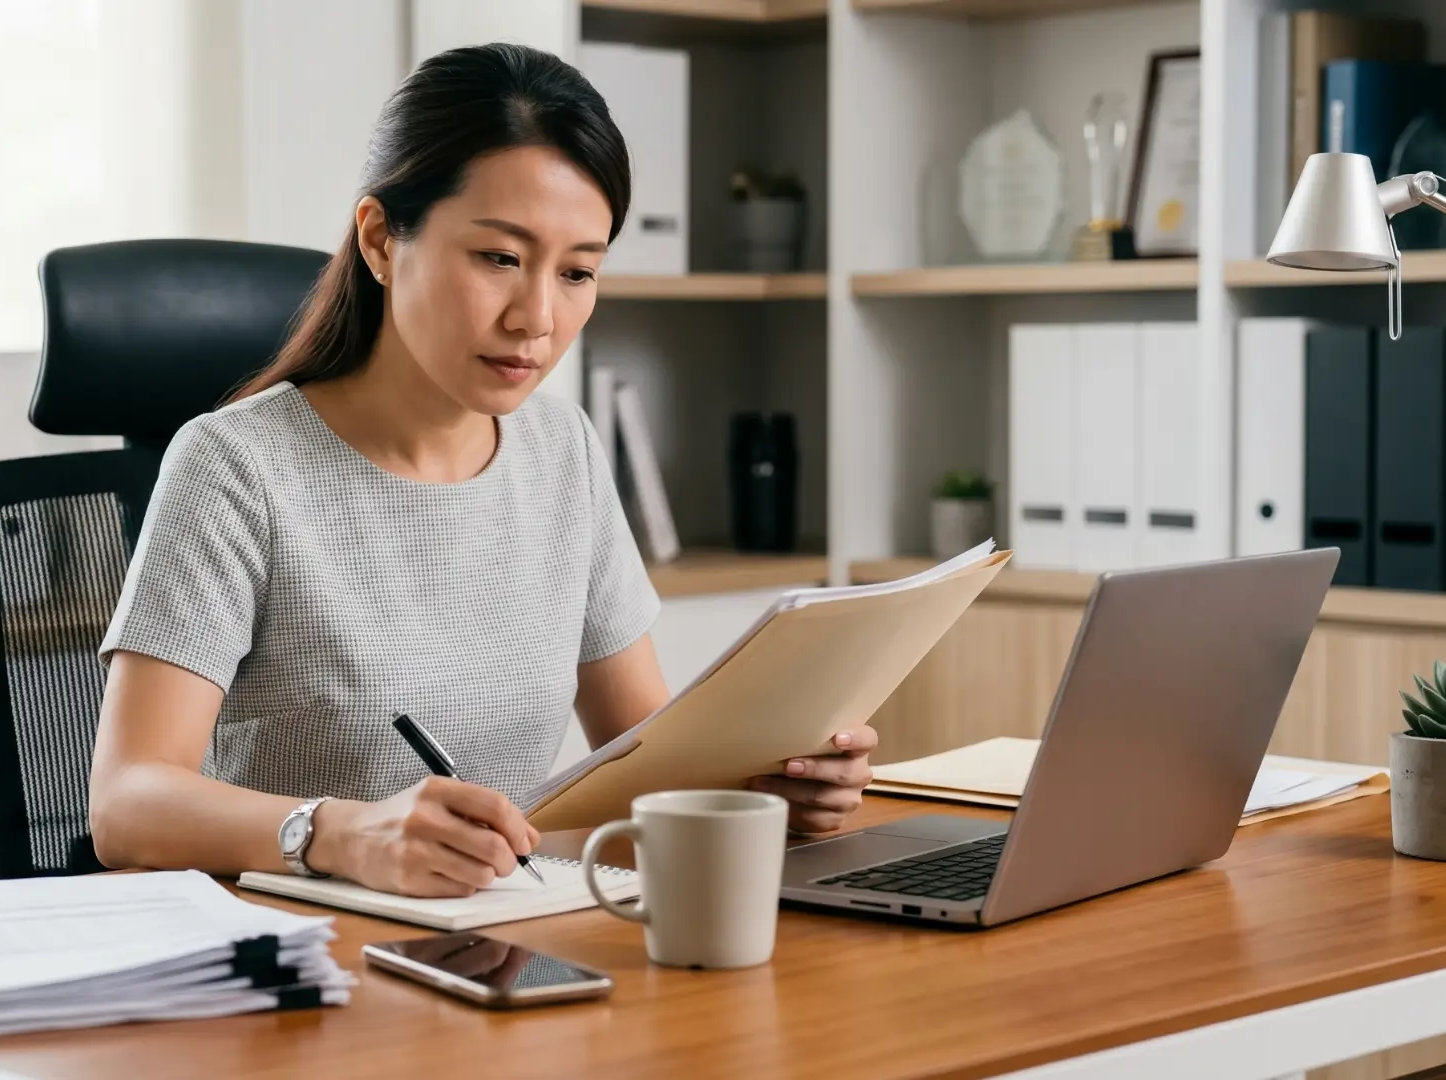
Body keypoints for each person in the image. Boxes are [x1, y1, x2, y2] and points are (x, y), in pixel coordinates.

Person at [88, 42, 876, 899]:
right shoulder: (237, 466)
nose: (536, 317)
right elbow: (127, 808)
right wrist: (343, 832)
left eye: (577, 272)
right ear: (383, 239)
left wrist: (760, 792)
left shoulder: (561, 452)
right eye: (499, 258)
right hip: (308, 971)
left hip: (507, 947)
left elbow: (649, 762)